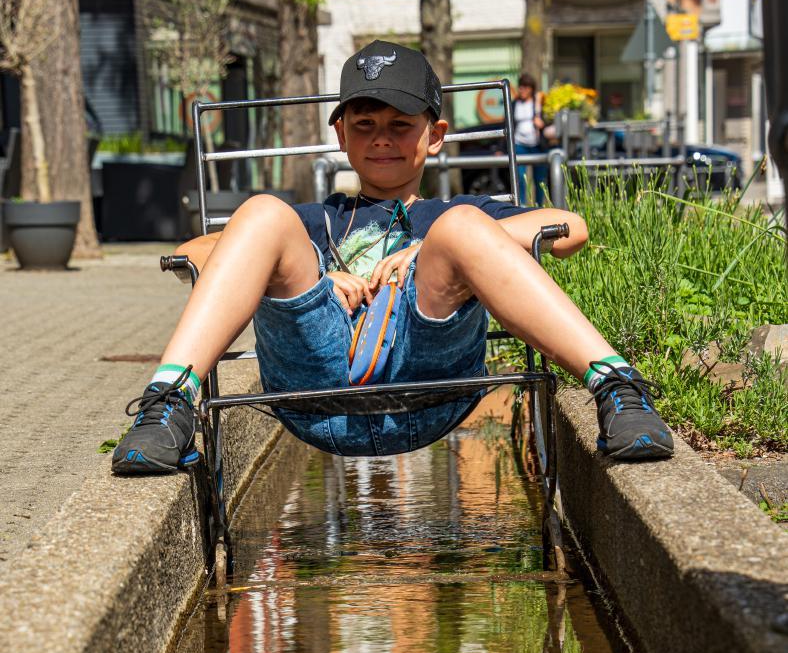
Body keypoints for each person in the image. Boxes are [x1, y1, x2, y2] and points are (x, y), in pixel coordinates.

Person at [112, 39, 673, 474]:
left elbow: (571, 230)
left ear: (435, 135)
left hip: (427, 379)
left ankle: (618, 388)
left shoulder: (455, 215)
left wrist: (427, 249)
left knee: (461, 226)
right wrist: (319, 278)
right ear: (342, 136)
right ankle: (169, 403)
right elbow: (191, 253)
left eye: (400, 126)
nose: (382, 139)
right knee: (261, 211)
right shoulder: (314, 220)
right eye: (365, 125)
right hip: (315, 387)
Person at [512, 72, 548, 207]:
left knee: (539, 179)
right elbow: (508, 124)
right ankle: (521, 205)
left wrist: (542, 124)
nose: (522, 90)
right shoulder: (514, 104)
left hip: (537, 145)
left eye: (526, 87)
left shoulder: (538, 103)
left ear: (531, 89)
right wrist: (501, 147)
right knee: (520, 178)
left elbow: (548, 121)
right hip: (519, 144)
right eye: (521, 87)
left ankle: (539, 206)